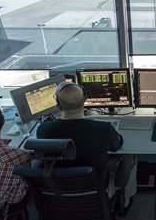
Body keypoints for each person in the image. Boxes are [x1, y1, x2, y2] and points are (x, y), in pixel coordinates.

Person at [36, 81, 137, 209]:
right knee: (131, 157)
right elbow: (116, 146)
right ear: (85, 101)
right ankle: (125, 201)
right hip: (97, 190)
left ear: (58, 107)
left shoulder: (43, 130)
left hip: (59, 190)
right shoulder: (102, 128)